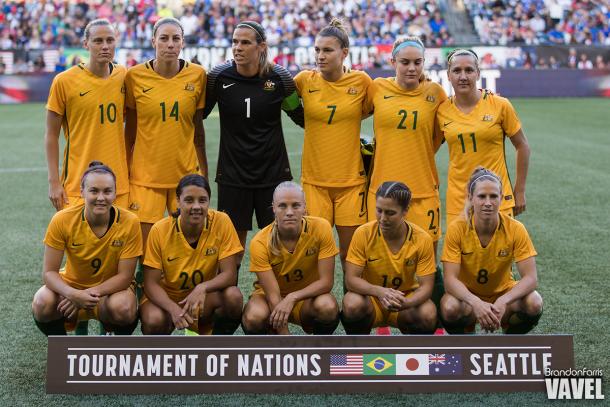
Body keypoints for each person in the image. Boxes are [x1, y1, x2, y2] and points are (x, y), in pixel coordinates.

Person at [202, 21, 304, 272]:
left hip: (273, 174)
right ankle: (228, 307)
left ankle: (282, 305)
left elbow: (300, 116)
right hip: (232, 175)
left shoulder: (281, 80)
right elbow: (196, 116)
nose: (237, 47)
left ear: (261, 47)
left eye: (245, 42)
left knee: (279, 250)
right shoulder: (217, 78)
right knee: (232, 254)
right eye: (235, 41)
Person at [293, 18, 373, 274]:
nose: (320, 56)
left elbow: (384, 102)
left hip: (351, 183)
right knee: (313, 255)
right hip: (314, 183)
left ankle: (354, 310)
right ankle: (317, 310)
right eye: (317, 50)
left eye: (327, 50)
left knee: (352, 257)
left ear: (344, 53)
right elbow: (279, 97)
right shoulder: (304, 80)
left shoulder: (362, 83)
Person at [32, 162, 142, 335]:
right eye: (94, 191)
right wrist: (73, 294)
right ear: (82, 192)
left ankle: (115, 351)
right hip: (71, 289)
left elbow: (125, 277)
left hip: (110, 293)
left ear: (115, 193)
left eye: (107, 191)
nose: (101, 197)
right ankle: (62, 349)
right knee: (42, 302)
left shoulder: (130, 222)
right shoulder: (62, 220)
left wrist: (87, 294)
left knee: (125, 308)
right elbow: (48, 273)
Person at [125, 17, 207, 246]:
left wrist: (205, 175)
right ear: (153, 41)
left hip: (185, 176)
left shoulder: (198, 75)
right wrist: (125, 168)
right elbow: (129, 133)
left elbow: (198, 132)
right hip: (145, 176)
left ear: (182, 43)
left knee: (185, 244)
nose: (170, 44)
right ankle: (142, 282)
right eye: (164, 38)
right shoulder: (134, 76)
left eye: (176, 39)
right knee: (144, 247)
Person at [440, 167, 543, 334]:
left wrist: (504, 300)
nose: (488, 203)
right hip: (468, 300)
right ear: (470, 198)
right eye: (481, 196)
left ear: (501, 198)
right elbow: (450, 280)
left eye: (493, 196)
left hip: (504, 295)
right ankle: (467, 335)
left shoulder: (516, 229)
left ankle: (510, 340)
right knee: (449, 307)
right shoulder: (457, 229)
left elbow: (531, 278)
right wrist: (476, 302)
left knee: (534, 302)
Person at [140, 174, 243, 335]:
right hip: (168, 298)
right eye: (189, 200)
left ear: (209, 201)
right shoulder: (160, 230)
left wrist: (202, 287)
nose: (196, 206)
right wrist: (173, 309)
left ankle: (216, 347)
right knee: (154, 319)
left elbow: (230, 275)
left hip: (204, 298)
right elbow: (150, 284)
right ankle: (161, 358)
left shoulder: (221, 221)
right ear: (177, 201)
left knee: (233, 297)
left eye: (202, 200)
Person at [437, 49, 530, 226]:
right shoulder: (441, 111)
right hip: (458, 200)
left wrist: (519, 191)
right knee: (460, 254)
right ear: (448, 75)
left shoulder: (500, 105)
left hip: (496, 197)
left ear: (478, 73)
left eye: (469, 70)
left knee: (499, 253)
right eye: (456, 71)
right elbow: (428, 148)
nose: (463, 76)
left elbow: (522, 146)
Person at [45, 18, 129, 212]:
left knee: (117, 241)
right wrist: (54, 182)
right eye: (98, 41)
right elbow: (51, 135)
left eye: (110, 40)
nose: (105, 46)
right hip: (77, 184)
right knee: (77, 242)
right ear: (86, 44)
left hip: (119, 184)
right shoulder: (64, 81)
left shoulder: (124, 76)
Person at [241, 182, 340, 335]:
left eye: (295, 205)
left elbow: (326, 283)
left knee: (327, 306)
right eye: (282, 206)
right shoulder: (260, 242)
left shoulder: (321, 228)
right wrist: (287, 341)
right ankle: (271, 350)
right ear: (273, 208)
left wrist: (293, 297)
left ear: (305, 207)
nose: (289, 212)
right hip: (269, 299)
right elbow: (273, 296)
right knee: (254, 316)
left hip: (307, 298)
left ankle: (319, 352)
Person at [342, 182, 437, 334]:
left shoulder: (422, 239)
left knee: (428, 313)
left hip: (404, 300)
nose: (383, 218)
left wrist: (407, 302)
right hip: (373, 299)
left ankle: (411, 356)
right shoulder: (363, 233)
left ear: (405, 211)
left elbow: (426, 286)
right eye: (379, 210)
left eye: (390, 213)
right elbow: (351, 279)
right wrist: (379, 291)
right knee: (352, 303)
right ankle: (359, 351)